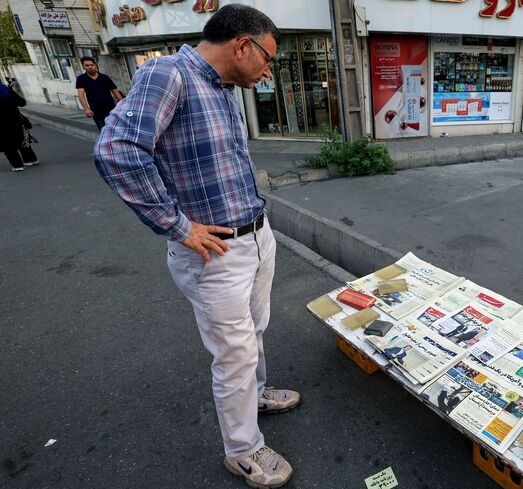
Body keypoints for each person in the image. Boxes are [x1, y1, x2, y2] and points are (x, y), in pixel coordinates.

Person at [92, 5, 297, 488]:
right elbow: (116, 150)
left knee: (255, 330)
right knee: (234, 353)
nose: (268, 71)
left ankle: (258, 394)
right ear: (242, 45)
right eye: (267, 59)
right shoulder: (170, 73)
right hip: (213, 251)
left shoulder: (223, 87)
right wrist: (177, 227)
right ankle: (243, 450)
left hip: (255, 235)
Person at [76, 57, 124, 131]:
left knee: (117, 129)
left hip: (111, 109)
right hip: (96, 111)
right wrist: (86, 109)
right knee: (104, 131)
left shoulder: (105, 77)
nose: (90, 67)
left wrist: (123, 104)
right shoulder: (81, 79)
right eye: (87, 65)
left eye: (91, 65)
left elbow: (115, 91)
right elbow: (81, 95)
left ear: (95, 65)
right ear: (83, 67)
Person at [0, 83, 39, 172]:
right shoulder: (6, 90)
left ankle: (17, 165)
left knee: (8, 145)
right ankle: (30, 160)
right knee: (22, 140)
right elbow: (22, 103)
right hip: (16, 121)